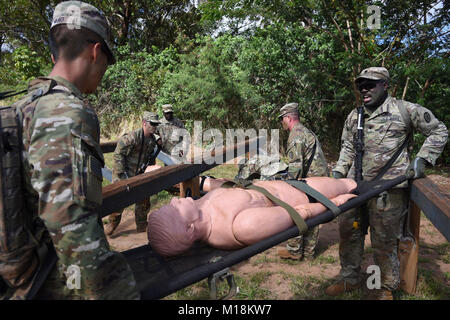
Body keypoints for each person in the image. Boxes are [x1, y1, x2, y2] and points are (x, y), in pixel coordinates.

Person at [2, 1, 140, 299]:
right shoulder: (69, 113)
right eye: (106, 61)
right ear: (95, 52)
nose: (103, 71)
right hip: (45, 284)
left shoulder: (25, 106)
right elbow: (71, 225)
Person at [327, 67, 448, 300]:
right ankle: (349, 278)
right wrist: (337, 176)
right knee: (349, 234)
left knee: (383, 241)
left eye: (370, 84)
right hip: (354, 188)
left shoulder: (404, 109)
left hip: (388, 191)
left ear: (385, 85)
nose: (364, 89)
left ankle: (386, 287)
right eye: (361, 85)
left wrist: (423, 158)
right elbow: (347, 148)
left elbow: (439, 130)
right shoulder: (355, 115)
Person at [148, 177, 357, 257]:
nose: (175, 201)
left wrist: (204, 182)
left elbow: (226, 191)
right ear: (189, 229)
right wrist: (335, 204)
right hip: (306, 192)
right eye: (175, 209)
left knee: (350, 181)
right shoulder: (241, 227)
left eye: (170, 203)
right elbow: (300, 214)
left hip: (283, 184)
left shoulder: (199, 208)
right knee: (351, 184)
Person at [277, 103, 330, 261]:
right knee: (313, 214)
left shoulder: (296, 135)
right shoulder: (305, 131)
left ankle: (294, 250)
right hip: (319, 179)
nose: (282, 123)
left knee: (296, 210)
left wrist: (287, 186)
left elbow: (295, 167)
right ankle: (308, 252)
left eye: (282, 119)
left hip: (311, 180)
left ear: (288, 118)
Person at [104, 111, 162, 235]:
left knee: (143, 200)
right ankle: (112, 225)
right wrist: (120, 174)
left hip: (139, 174)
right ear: (144, 123)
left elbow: (150, 157)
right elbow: (118, 152)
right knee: (118, 202)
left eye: (156, 124)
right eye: (152, 124)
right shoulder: (132, 137)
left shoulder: (151, 140)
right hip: (124, 173)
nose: (154, 127)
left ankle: (141, 226)